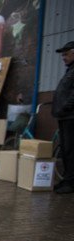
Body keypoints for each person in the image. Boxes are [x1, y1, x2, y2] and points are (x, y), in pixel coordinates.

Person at [53, 40, 74, 194]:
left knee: (70, 150)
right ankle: (67, 179)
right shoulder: (70, 70)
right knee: (66, 150)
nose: (63, 57)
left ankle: (71, 182)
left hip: (70, 116)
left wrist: (64, 107)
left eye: (66, 54)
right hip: (65, 116)